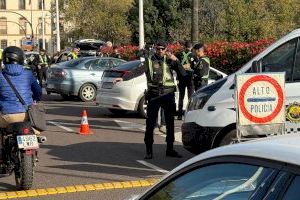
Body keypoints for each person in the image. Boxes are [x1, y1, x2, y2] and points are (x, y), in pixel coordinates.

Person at [113, 41, 186, 159]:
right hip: (154, 95)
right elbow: (137, 71)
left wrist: (176, 60)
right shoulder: (149, 62)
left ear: (166, 49)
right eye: (158, 49)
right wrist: (123, 78)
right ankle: (149, 150)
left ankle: (170, 149)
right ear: (155, 49)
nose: (160, 51)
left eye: (163, 49)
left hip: (168, 95)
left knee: (170, 124)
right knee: (150, 124)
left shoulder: (170, 61)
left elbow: (183, 74)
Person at [0, 46, 42, 133]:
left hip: (7, 115)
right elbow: (38, 91)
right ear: (21, 59)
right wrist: (35, 99)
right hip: (27, 114)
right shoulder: (28, 74)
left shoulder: (1, 75)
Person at [176, 41, 194, 120]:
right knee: (190, 97)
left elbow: (175, 64)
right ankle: (189, 115)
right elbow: (195, 67)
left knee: (181, 97)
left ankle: (179, 115)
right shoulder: (193, 55)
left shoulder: (179, 54)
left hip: (181, 78)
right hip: (190, 79)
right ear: (191, 47)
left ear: (184, 46)